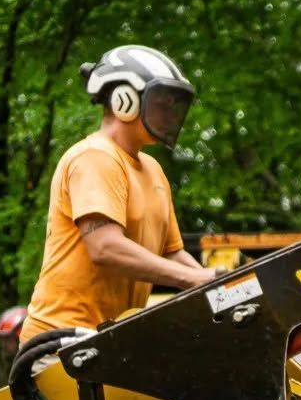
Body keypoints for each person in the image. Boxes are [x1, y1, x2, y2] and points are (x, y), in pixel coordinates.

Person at [19, 45, 213, 345]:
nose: (170, 114)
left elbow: (172, 253)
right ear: (125, 100)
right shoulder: (95, 157)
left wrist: (216, 284)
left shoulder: (152, 170)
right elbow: (105, 246)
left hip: (107, 342)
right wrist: (191, 279)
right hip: (60, 342)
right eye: (162, 103)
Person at [0, 305, 26, 387]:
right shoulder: (9, 364)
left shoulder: (39, 362)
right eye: (1, 339)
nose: (3, 344)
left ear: (20, 336)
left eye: (7, 338)